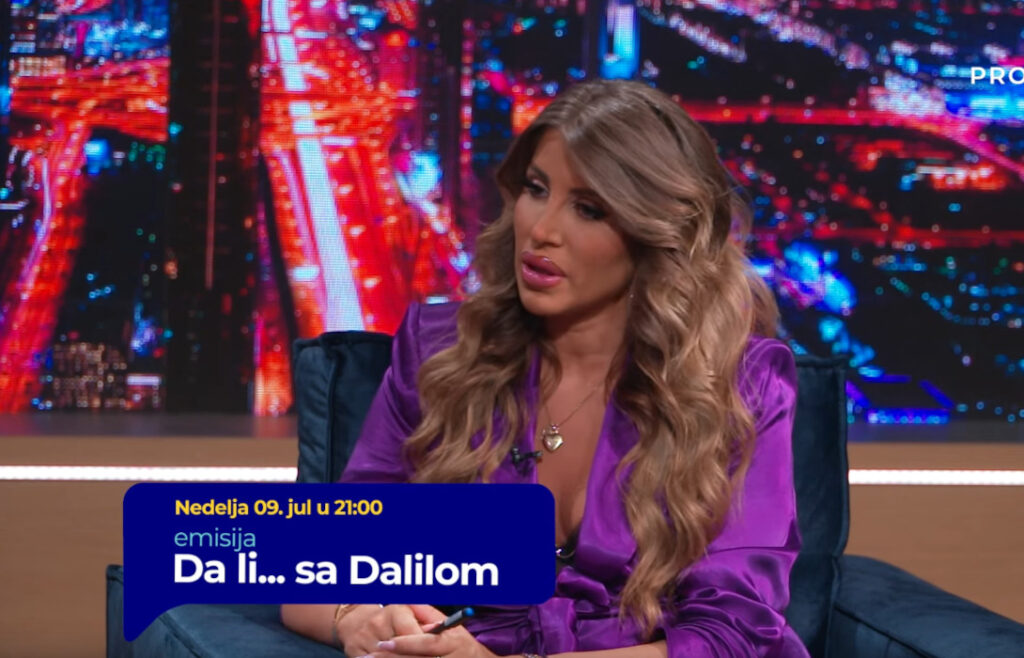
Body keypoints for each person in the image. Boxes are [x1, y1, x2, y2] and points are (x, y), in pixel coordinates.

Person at [281, 78, 810, 658]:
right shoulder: (440, 352)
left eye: (588, 209)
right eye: (536, 189)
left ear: (657, 232)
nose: (541, 230)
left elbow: (732, 635)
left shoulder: (741, 385)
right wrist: (357, 619)